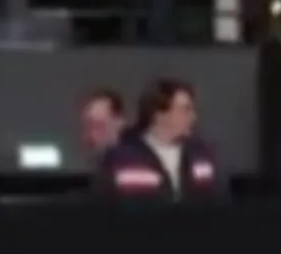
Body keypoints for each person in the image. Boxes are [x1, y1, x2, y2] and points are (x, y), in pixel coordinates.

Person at [93, 78, 225, 200]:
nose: (193, 117)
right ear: (158, 114)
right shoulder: (120, 160)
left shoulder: (203, 156)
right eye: (185, 110)